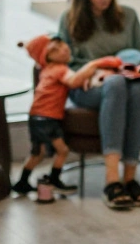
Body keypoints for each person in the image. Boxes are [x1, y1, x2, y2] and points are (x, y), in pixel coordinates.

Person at [57, 0, 140, 209]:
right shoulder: (69, 20)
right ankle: (112, 180)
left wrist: (119, 70)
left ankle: (130, 179)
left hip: (122, 81)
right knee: (116, 85)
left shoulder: (128, 16)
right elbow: (64, 65)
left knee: (136, 88)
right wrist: (95, 73)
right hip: (86, 87)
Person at [13, 34, 120, 199]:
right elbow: (73, 81)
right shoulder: (59, 69)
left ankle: (22, 182)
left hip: (36, 117)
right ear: (46, 57)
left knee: (38, 153)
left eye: (62, 45)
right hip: (47, 118)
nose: (63, 49)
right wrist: (95, 64)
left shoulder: (47, 70)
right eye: (55, 49)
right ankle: (54, 179)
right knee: (62, 151)